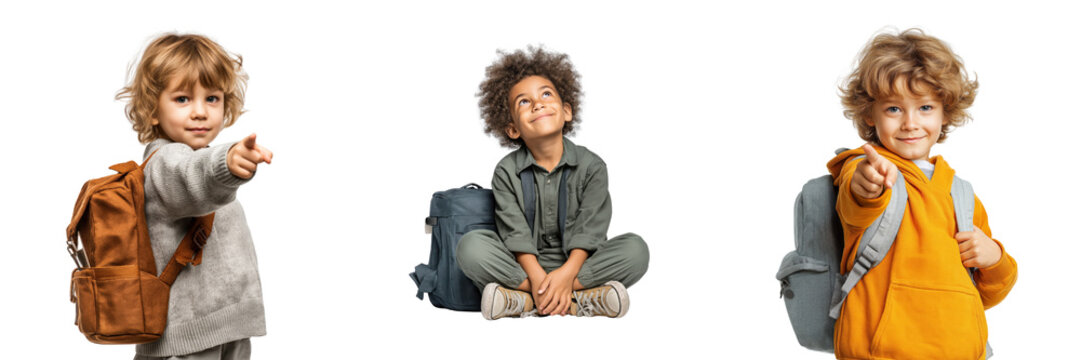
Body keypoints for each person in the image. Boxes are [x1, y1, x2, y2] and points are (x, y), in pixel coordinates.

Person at [828, 29, 1017, 359]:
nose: (911, 123)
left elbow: (983, 293)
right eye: (894, 109)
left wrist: (996, 260)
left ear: (946, 112)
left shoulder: (962, 194)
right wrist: (868, 184)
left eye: (925, 107)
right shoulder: (863, 167)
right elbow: (855, 204)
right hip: (882, 352)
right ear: (870, 114)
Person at [456, 47, 649, 320]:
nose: (538, 104)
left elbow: (590, 229)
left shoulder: (592, 166)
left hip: (580, 266)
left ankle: (520, 302)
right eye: (524, 102)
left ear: (566, 111)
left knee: (636, 250)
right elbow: (515, 234)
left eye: (546, 94)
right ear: (513, 129)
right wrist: (537, 278)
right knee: (471, 247)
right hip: (523, 267)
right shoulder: (506, 171)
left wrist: (567, 274)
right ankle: (579, 301)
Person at [117, 33, 271, 360]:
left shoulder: (197, 154)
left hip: (227, 327)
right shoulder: (163, 163)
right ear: (153, 109)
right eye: (183, 99)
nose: (200, 111)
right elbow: (192, 178)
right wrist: (225, 164)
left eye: (212, 98)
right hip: (185, 341)